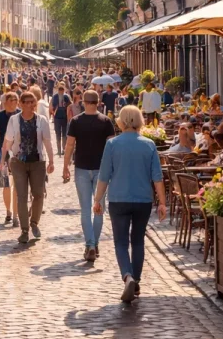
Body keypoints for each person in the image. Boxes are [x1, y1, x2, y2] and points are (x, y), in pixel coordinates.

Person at [93, 105, 166, 303]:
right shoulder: (149, 144)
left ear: (122, 121)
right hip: (143, 199)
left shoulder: (113, 144)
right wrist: (162, 203)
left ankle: (128, 276)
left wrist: (97, 198)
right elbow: (157, 177)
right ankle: (137, 280)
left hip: (119, 199)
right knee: (138, 241)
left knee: (121, 242)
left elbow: (104, 175)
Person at [63, 90, 115, 262]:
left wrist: (65, 167)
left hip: (82, 168)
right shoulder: (106, 121)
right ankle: (95, 243)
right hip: (101, 169)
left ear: (84, 102)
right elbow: (111, 147)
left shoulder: (76, 121)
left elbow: (69, 145)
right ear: (98, 102)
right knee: (99, 207)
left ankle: (90, 244)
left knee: (85, 210)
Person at [0, 91, 55, 244]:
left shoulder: (41, 120)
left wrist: (51, 160)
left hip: (38, 162)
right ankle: (24, 230)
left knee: (38, 194)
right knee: (22, 196)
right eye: (27, 102)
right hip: (19, 162)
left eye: (32, 102)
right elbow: (8, 141)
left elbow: (47, 141)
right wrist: (3, 159)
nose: (30, 105)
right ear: (21, 104)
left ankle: (34, 223)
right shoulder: (14, 120)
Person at [0, 92, 20, 226]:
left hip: (19, 152)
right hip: (3, 152)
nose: (14, 102)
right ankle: (8, 211)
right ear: (5, 102)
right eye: (11, 100)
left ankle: (16, 215)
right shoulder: (0, 115)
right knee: (6, 184)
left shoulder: (21, 113)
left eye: (16, 99)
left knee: (18, 185)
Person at [49, 84, 71, 156]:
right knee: (58, 133)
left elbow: (69, 105)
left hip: (64, 116)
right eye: (60, 91)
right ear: (58, 91)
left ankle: (64, 149)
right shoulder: (55, 97)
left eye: (62, 91)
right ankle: (58, 150)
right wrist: (52, 112)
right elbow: (52, 105)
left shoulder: (66, 97)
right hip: (57, 116)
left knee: (64, 134)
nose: (61, 92)